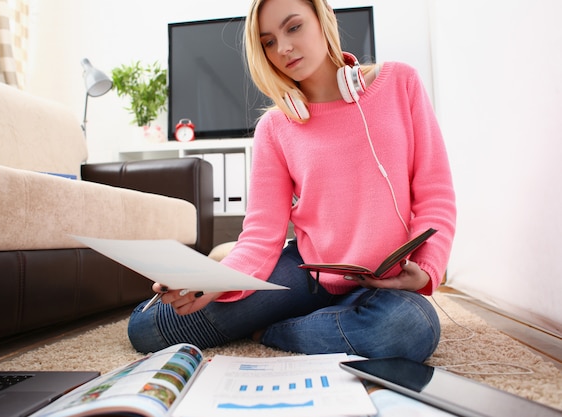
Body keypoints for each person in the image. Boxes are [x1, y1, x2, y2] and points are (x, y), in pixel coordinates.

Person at [128, 0, 456, 363]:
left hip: (385, 280)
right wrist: (211, 282)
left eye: (293, 27)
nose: (282, 48)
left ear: (325, 17)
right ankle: (317, 322)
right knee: (148, 328)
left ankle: (270, 331)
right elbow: (260, 236)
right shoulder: (275, 127)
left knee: (407, 329)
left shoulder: (400, 83)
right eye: (268, 41)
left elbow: (435, 195)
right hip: (307, 272)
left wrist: (426, 269)